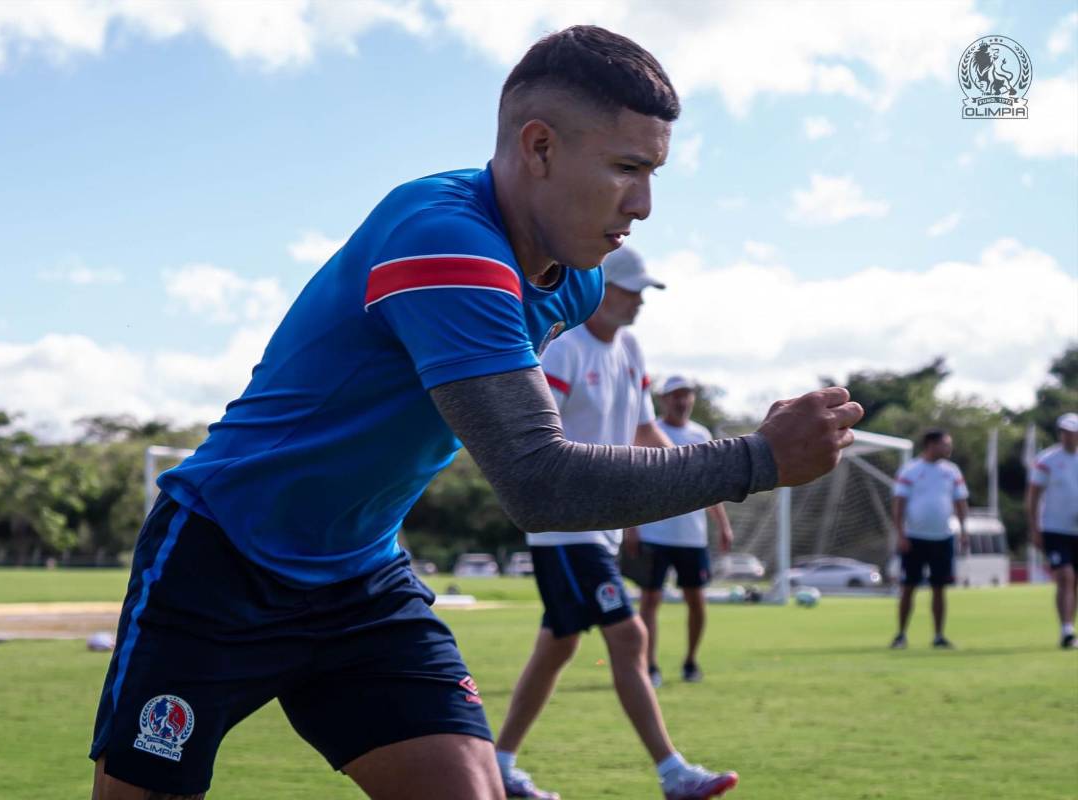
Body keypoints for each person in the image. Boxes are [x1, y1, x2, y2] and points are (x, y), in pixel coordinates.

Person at [89, 25, 864, 800]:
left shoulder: (579, 280)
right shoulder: (443, 242)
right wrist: (756, 460)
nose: (646, 204)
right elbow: (538, 482)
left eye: (654, 172)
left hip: (358, 576)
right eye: (627, 168)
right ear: (539, 148)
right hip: (223, 559)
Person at [494, 246, 730, 799]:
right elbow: (539, 441)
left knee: (559, 645)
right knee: (629, 636)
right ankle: (673, 773)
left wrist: (701, 474)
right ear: (598, 287)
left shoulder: (630, 349)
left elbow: (646, 435)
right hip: (565, 526)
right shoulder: (563, 349)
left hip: (596, 527)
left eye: (643, 292)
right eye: (631, 290)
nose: (640, 302)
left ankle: (500, 766)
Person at [630, 375, 734, 687]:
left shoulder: (700, 434)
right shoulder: (648, 432)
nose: (682, 400)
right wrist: (631, 528)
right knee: (650, 601)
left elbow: (711, 487)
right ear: (663, 400)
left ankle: (690, 661)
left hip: (691, 536)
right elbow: (633, 484)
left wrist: (723, 525)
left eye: (687, 394)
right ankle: (649, 665)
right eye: (675, 395)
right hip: (654, 533)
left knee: (696, 600)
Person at [890, 429, 969, 650]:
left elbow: (960, 502)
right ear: (931, 445)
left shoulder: (952, 471)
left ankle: (938, 636)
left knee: (939, 588)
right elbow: (898, 504)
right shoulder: (911, 470)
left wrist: (963, 531)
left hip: (943, 537)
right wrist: (900, 534)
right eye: (945, 444)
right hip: (914, 538)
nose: (949, 448)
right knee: (908, 587)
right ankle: (901, 635)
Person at [1027, 412, 1078, 649]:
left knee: (1073, 580)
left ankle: (1069, 629)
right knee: (1065, 576)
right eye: (1064, 432)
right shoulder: (1046, 460)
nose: (1067, 436)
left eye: (1072, 432)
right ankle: (1066, 629)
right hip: (1055, 529)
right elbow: (1034, 495)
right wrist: (1034, 528)